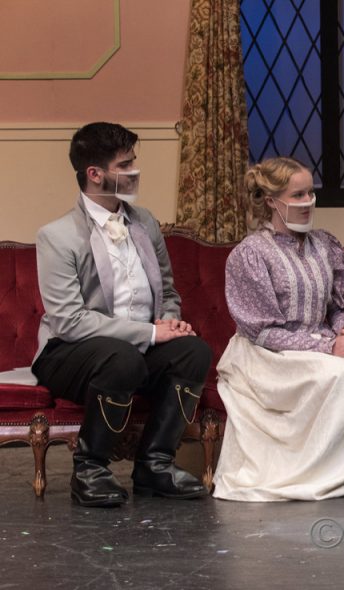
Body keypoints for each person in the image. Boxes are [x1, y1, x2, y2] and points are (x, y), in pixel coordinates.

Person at [31, 122, 213, 507]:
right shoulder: (57, 236)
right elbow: (69, 321)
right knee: (122, 357)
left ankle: (155, 465)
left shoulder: (145, 222)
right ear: (95, 174)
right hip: (70, 352)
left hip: (137, 348)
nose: (135, 171)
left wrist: (170, 321)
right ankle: (90, 470)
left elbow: (168, 289)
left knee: (193, 351)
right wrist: (148, 333)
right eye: (126, 164)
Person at [212, 156, 344, 502]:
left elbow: (338, 306)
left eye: (310, 194)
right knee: (331, 373)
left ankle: (338, 468)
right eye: (298, 196)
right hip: (267, 353)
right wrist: (325, 348)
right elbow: (261, 331)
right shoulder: (252, 254)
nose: (308, 203)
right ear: (272, 201)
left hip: (322, 340)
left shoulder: (325, 245)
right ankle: (307, 473)